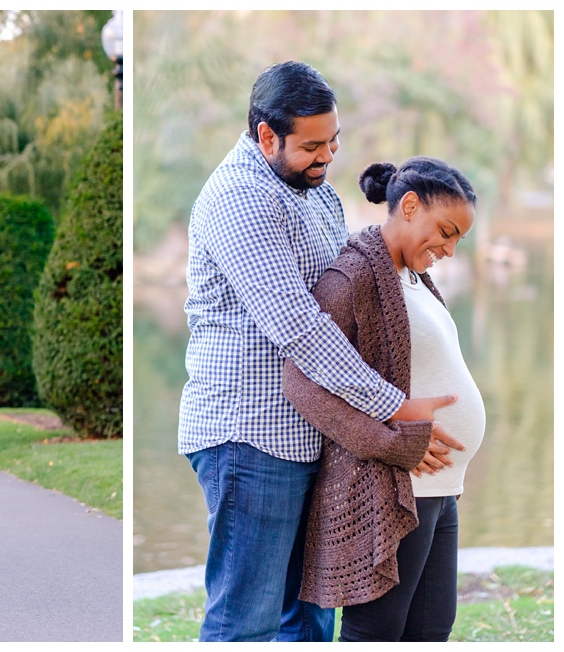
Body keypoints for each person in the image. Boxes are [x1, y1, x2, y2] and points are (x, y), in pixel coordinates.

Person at [178, 62, 457, 641]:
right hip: (250, 435)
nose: (327, 156)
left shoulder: (315, 192)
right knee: (246, 622)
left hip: (313, 436)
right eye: (311, 146)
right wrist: (390, 404)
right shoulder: (239, 197)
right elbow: (299, 325)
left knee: (307, 621)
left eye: (333, 141)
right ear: (265, 136)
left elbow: (351, 293)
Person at [284, 158, 479, 641]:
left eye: (458, 240)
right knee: (376, 634)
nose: (450, 249)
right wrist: (392, 444)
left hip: (439, 489)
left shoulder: (414, 277)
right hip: (394, 485)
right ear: (409, 206)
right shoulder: (353, 277)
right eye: (446, 231)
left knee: (432, 629)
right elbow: (301, 383)